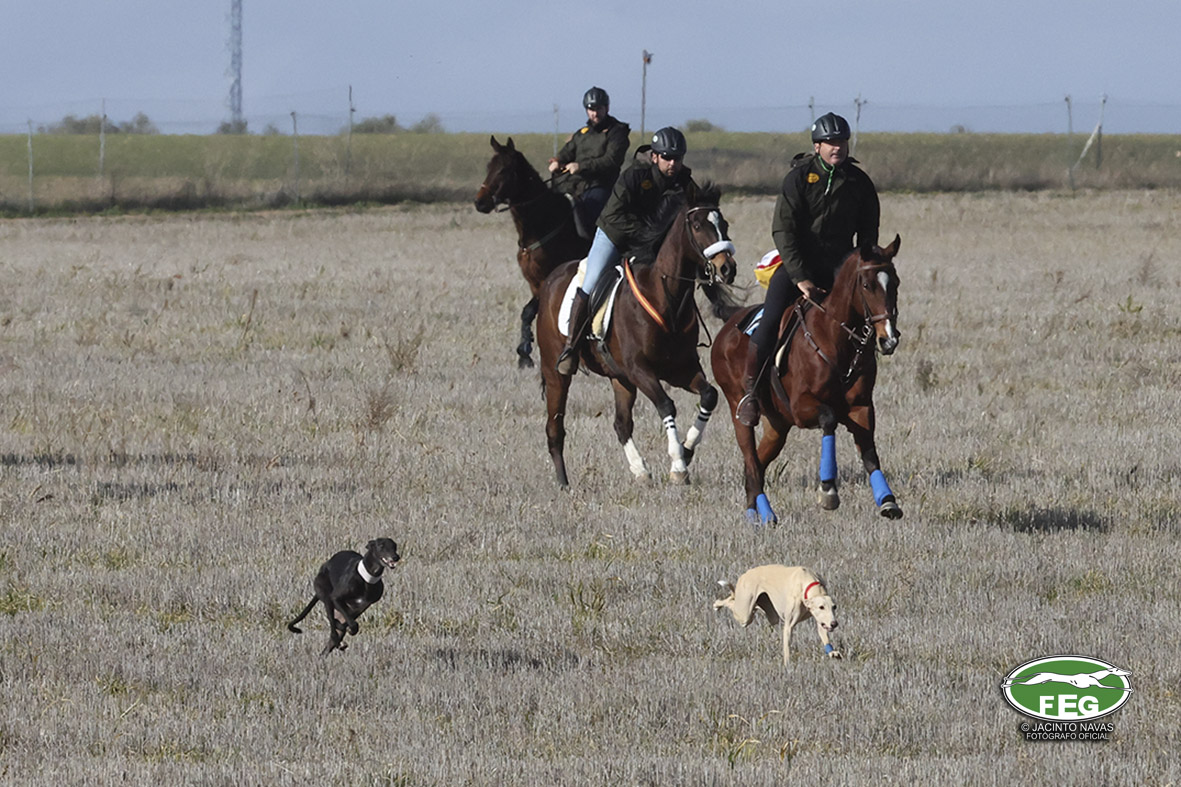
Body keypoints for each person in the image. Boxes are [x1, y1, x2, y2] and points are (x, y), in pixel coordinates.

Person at [734, 112, 880, 426]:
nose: (837, 147)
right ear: (817, 146)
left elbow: (869, 233)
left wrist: (861, 269)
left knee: (870, 318)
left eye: (841, 141)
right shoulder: (798, 179)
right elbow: (783, 231)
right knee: (770, 320)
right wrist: (800, 277)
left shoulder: (860, 182)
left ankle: (859, 389)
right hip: (798, 268)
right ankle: (751, 393)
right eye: (830, 142)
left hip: (841, 272)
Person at [555, 126, 698, 374]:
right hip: (614, 236)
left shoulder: (684, 181)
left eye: (677, 158)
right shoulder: (635, 176)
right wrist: (647, 234)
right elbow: (614, 216)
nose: (673, 164)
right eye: (667, 158)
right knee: (591, 281)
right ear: (655, 157)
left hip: (649, 244)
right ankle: (571, 347)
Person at [548, 87, 631, 238]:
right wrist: (558, 161)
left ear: (606, 108)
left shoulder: (617, 132)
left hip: (601, 185)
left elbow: (611, 160)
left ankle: (590, 243)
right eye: (591, 109)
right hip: (575, 183)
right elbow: (568, 150)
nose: (595, 113)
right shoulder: (582, 133)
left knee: (589, 213)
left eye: (598, 109)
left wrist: (581, 166)